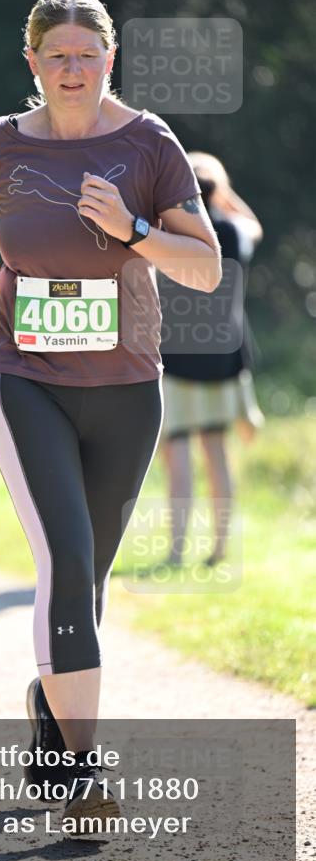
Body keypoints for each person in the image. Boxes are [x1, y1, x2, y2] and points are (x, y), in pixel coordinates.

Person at [0, 0, 221, 835]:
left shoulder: (147, 144)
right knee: (65, 563)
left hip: (128, 390)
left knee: (88, 584)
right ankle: (83, 776)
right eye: (55, 55)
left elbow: (203, 269)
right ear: (31, 62)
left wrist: (134, 227)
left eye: (86, 54)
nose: (72, 70)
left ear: (111, 60)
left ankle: (49, 703)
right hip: (22, 376)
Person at [160, 151, 264, 568]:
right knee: (217, 455)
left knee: (177, 455)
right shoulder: (235, 232)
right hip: (223, 359)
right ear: (217, 191)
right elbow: (255, 224)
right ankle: (220, 549)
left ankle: (175, 550)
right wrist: (223, 190)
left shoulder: (170, 231)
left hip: (175, 359)